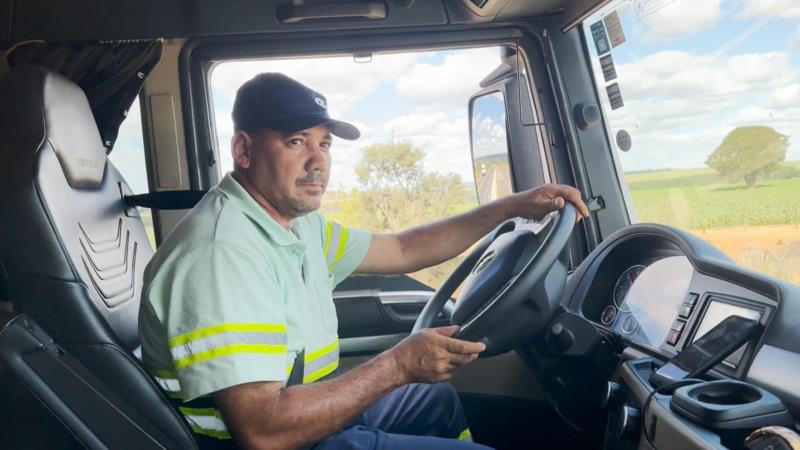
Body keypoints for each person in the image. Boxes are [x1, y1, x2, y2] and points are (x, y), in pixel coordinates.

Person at [138, 73, 590, 450]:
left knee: (434, 400)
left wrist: (507, 207)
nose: (318, 162)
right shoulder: (223, 254)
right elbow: (262, 430)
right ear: (243, 150)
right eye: (297, 142)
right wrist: (396, 366)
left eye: (325, 145)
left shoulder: (294, 224)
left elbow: (403, 249)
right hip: (272, 441)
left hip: (301, 412)